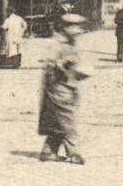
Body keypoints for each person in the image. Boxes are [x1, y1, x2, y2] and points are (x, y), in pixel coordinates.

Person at [38, 13, 90, 164]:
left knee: (58, 120)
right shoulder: (58, 45)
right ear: (67, 27)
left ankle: (49, 150)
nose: (79, 30)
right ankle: (73, 153)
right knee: (67, 120)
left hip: (66, 86)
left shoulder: (69, 43)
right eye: (76, 27)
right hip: (59, 88)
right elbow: (52, 66)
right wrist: (65, 66)